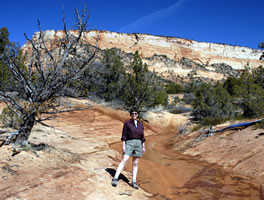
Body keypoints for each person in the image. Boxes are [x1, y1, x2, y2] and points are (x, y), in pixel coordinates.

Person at [111, 109, 146, 189]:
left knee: (135, 163)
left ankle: (133, 182)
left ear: (137, 115)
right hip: (129, 143)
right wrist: (123, 145)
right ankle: (115, 178)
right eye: (132, 113)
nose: (134, 115)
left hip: (138, 144)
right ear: (130, 115)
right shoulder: (127, 123)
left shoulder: (140, 124)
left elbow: (142, 136)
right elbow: (124, 135)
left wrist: (143, 146)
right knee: (125, 160)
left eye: (135, 113)